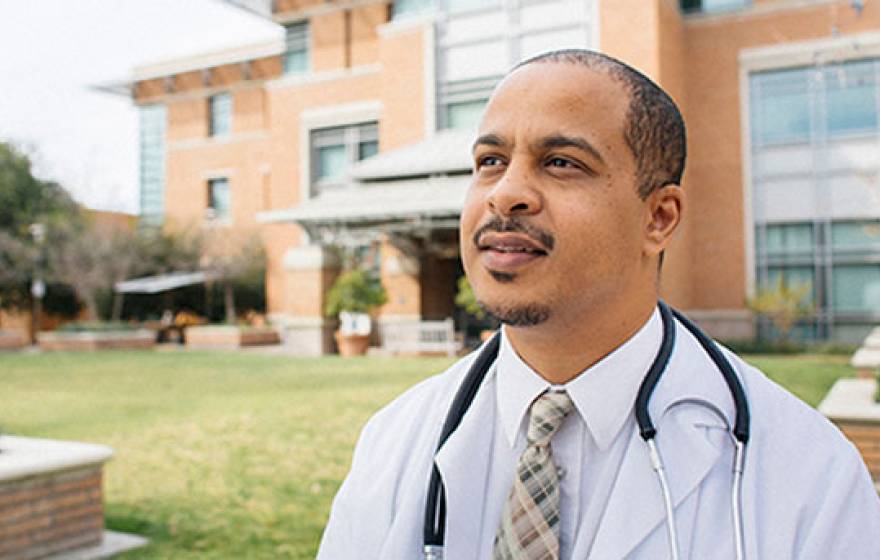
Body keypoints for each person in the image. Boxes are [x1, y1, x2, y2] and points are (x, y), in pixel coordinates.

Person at [317, 49, 880, 559]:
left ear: (658, 218)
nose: (505, 192)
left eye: (561, 162)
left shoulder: (810, 475)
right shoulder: (394, 441)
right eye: (490, 160)